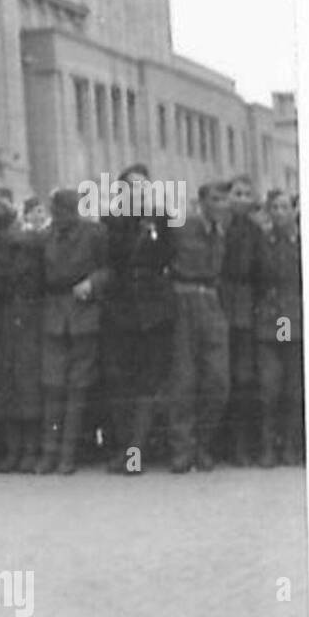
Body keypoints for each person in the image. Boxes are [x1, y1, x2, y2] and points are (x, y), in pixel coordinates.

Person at [101, 164, 174, 474]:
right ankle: (124, 449)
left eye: (144, 186)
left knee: (147, 382)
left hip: (154, 310)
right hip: (120, 308)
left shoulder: (163, 219)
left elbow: (172, 255)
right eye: (132, 186)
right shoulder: (111, 221)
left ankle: (136, 454)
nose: (139, 191)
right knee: (120, 381)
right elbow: (107, 261)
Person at [36, 188, 109, 475]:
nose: (60, 216)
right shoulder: (46, 237)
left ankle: (68, 454)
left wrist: (93, 283)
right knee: (53, 386)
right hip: (54, 315)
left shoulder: (95, 234)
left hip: (84, 314)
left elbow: (108, 269)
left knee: (78, 388)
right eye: (56, 210)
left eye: (66, 210)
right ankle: (49, 452)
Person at [166, 180, 231, 473]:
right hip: (184, 302)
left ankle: (202, 444)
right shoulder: (182, 228)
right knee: (184, 380)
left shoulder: (220, 231)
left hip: (213, 304)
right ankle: (182, 450)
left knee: (218, 381)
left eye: (223, 200)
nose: (221, 205)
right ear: (202, 201)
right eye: (215, 199)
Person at [0, 194, 45, 473]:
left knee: (25, 383)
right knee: (8, 384)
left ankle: (28, 450)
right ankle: (16, 450)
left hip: (27, 316)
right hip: (5, 318)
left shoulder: (30, 244)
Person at [254, 189, 303, 467]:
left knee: (294, 388)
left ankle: (292, 446)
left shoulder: (302, 241)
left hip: (294, 318)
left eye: (285, 207)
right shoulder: (262, 242)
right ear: (269, 212)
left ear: (293, 211)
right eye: (275, 208)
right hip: (270, 320)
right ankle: (268, 446)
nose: (281, 213)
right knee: (269, 387)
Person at [221, 174, 264, 464]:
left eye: (247, 194)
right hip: (221, 299)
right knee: (220, 374)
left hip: (247, 306)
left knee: (245, 376)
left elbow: (262, 272)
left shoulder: (257, 232)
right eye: (237, 193)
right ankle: (220, 442)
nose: (241, 198)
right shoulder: (219, 227)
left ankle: (243, 444)